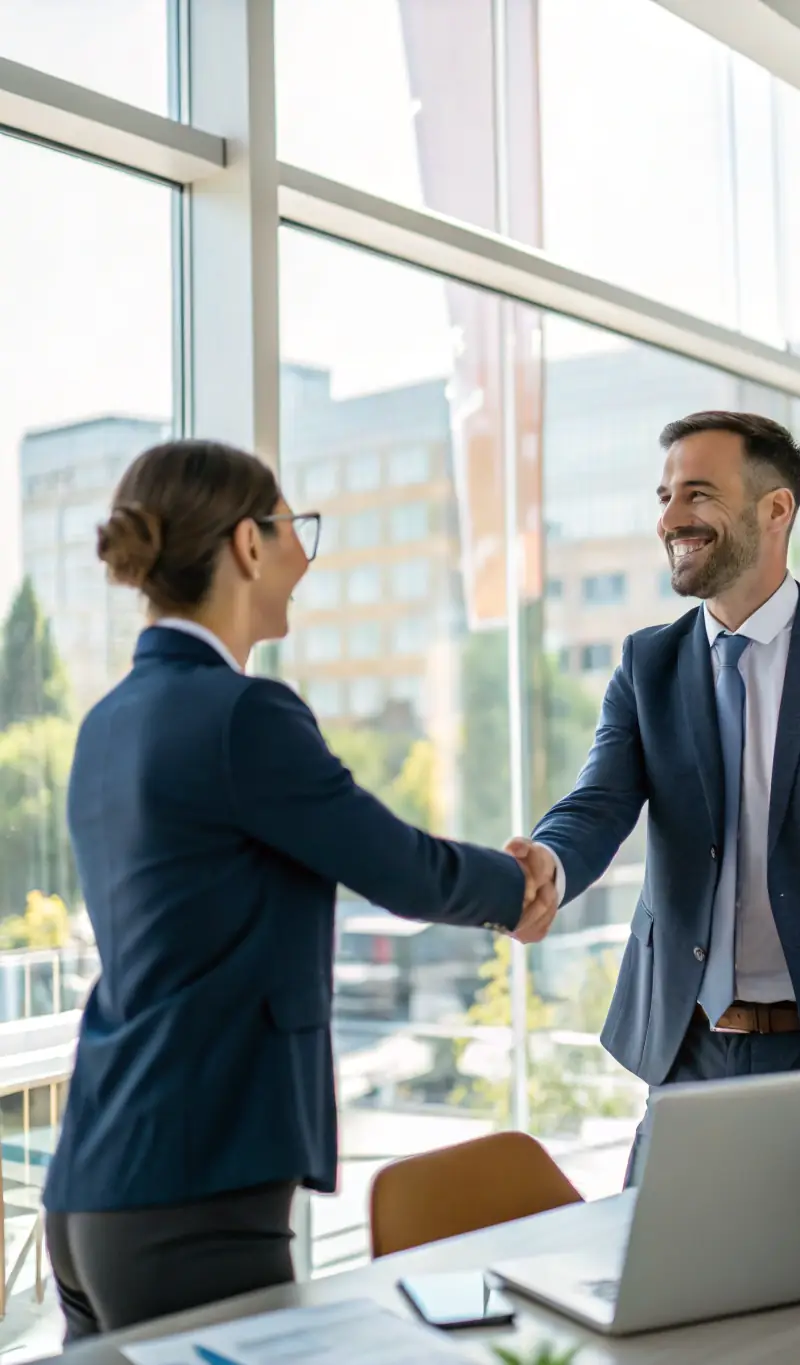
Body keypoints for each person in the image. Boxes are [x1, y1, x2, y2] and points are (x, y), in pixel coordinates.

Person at [43, 438, 556, 1339]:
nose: (301, 556)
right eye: (293, 530)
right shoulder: (244, 714)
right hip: (195, 1194)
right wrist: (518, 887)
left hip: (93, 1184)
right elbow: (396, 864)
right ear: (248, 544)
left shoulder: (107, 722)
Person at [508, 411, 800, 1187]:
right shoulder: (647, 665)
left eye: (696, 493)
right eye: (664, 495)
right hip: (688, 1057)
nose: (669, 519)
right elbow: (597, 801)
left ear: (776, 509)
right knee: (666, 1294)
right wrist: (550, 864)